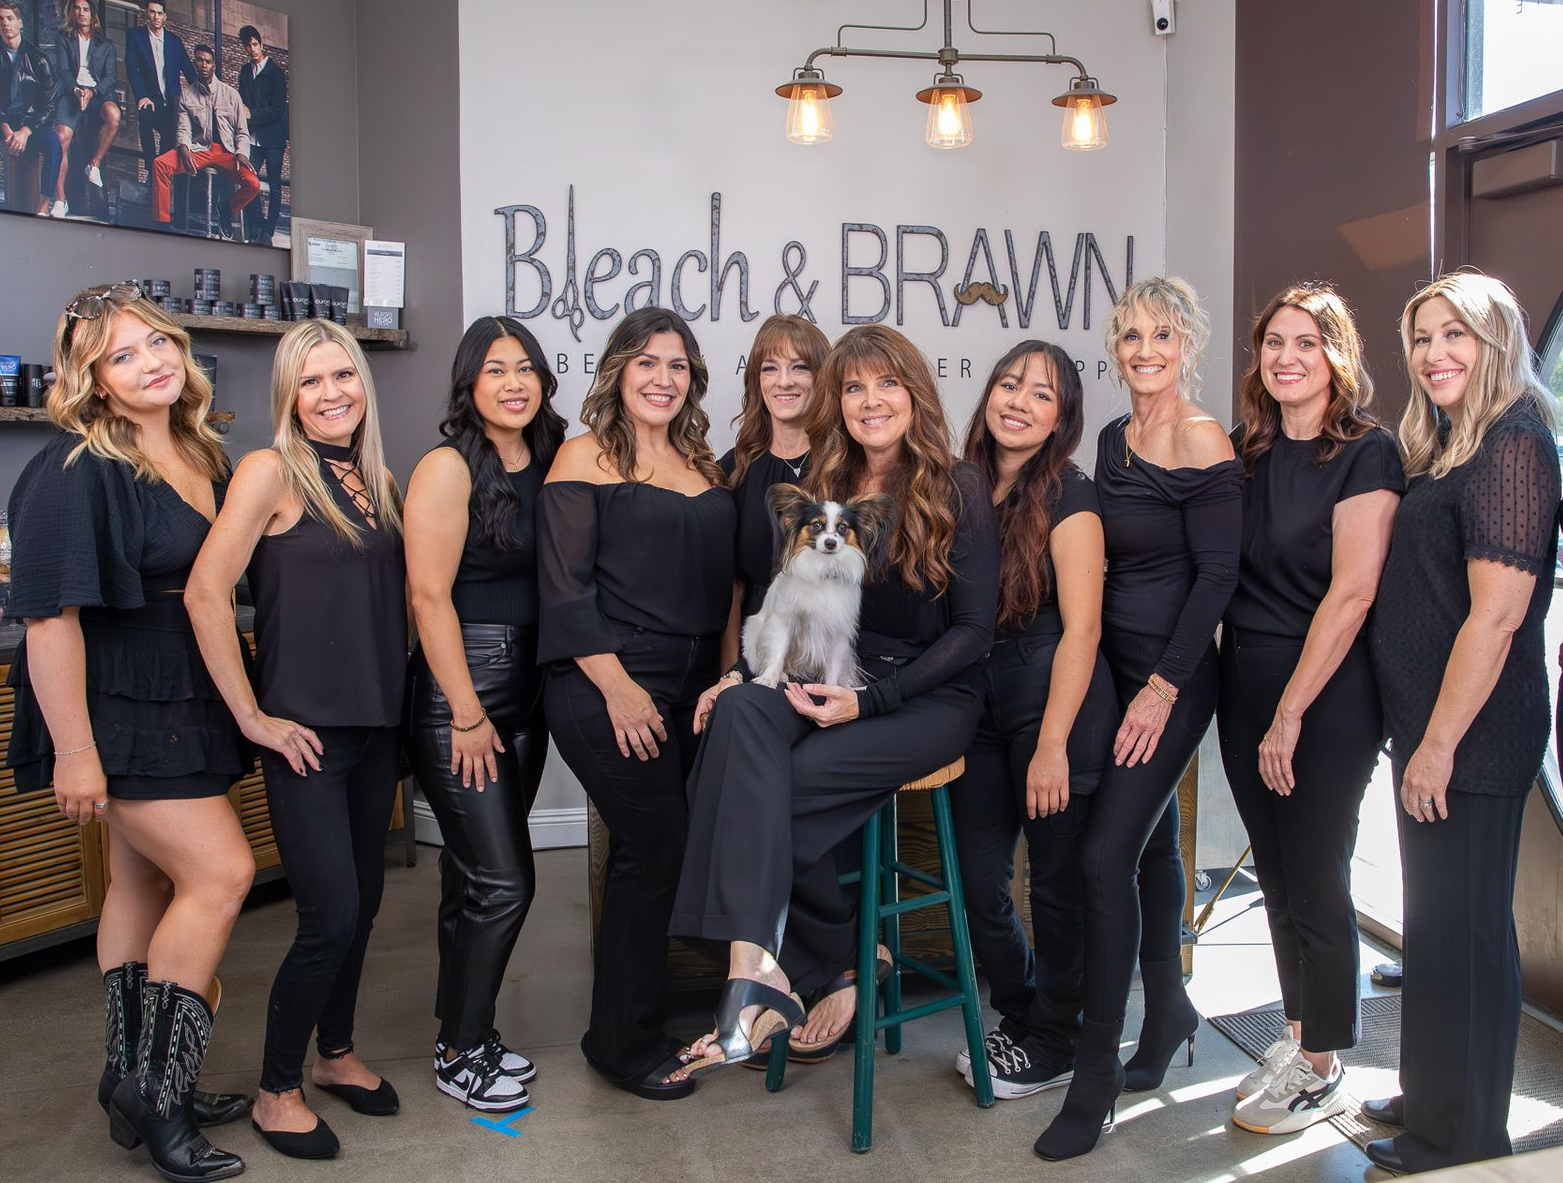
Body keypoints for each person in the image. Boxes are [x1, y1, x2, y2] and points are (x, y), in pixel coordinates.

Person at [667, 323, 999, 1082]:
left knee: (763, 796)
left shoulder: (958, 484)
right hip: (831, 668)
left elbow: (974, 633)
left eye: (885, 383)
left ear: (913, 393)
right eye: (852, 387)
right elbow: (783, 601)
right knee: (738, 717)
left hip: (926, 692)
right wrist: (744, 673)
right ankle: (762, 968)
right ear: (836, 401)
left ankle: (819, 962)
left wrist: (870, 702)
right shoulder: (827, 489)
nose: (869, 400)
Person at [4, 283, 252, 1182]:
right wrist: (74, 748)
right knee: (221, 874)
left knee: (144, 878)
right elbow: (46, 619)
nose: (151, 362)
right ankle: (159, 1087)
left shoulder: (197, 447)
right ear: (93, 380)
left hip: (184, 692)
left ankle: (131, 1075)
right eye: (123, 354)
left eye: (157, 343)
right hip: (116, 703)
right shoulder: (76, 467)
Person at [186, 319, 407, 1160]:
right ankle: (277, 1090)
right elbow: (207, 593)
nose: (331, 393)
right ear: (289, 393)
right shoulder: (270, 472)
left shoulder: (377, 478)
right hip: (304, 740)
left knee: (366, 907)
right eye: (311, 381)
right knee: (330, 914)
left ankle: (335, 1052)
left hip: (375, 730)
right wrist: (251, 715)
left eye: (343, 375)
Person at [1035, 277, 1242, 1160]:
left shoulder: (1202, 438)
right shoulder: (1115, 438)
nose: (1143, 350)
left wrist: (1161, 689)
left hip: (1176, 678)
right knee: (1150, 844)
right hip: (1114, 668)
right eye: (1129, 336)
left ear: (1187, 343)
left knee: (1103, 852)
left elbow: (1216, 580)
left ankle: (1094, 1074)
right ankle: (1167, 1011)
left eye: (1160, 334)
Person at [1364, 273, 1560, 1174]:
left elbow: (1496, 615)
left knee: (1469, 930)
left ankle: (1463, 1130)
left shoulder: (1516, 440)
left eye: (1456, 334)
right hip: (1429, 730)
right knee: (1437, 924)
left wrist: (1436, 744)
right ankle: (1431, 1090)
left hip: (1474, 737)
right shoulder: (1449, 441)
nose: (1434, 353)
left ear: (1498, 338)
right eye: (1421, 337)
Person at [1215, 284, 1403, 1134]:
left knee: (1317, 875)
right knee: (1278, 875)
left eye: (1306, 341)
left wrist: (1290, 711)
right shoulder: (1243, 450)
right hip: (1243, 682)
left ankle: (1327, 1063)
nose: (1286, 356)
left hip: (1322, 694)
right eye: (1273, 342)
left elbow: (1354, 590)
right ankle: (1299, 1038)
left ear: (1336, 354)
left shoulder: (1365, 452)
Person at [537, 306, 736, 1100]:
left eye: (678, 364)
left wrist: (727, 676)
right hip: (605, 681)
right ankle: (621, 1042)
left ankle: (642, 1016)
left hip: (692, 688)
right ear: (618, 369)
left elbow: (729, 590)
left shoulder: (706, 465)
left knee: (661, 851)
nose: (662, 377)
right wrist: (617, 688)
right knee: (656, 849)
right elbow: (562, 588)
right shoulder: (583, 456)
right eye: (647, 362)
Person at [404, 316, 566, 1112]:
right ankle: (461, 1048)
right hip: (461, 692)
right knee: (505, 880)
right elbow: (427, 595)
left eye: (526, 366)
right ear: (469, 381)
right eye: (496, 368)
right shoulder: (445, 466)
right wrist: (466, 711)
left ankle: (462, 1029)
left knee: (469, 875)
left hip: (529, 686)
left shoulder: (552, 455)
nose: (513, 381)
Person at [949, 340, 1116, 1100]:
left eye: (1040, 394)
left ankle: (1053, 1042)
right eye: (1008, 383)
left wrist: (1051, 744)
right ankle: (1022, 1012)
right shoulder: (960, 484)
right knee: (976, 879)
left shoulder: (1070, 494)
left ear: (1061, 419)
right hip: (976, 706)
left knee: (1053, 883)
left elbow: (1082, 629)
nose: (1017, 400)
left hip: (1054, 705)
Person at [150, 44, 258, 239]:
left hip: (228, 152)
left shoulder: (231, 95)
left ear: (214, 65)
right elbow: (183, 128)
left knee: (253, 184)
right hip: (199, 149)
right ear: (194, 63)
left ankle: (226, 208)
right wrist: (184, 149)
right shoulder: (187, 95)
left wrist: (242, 152)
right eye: (199, 60)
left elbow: (242, 132)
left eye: (208, 61)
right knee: (160, 164)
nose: (204, 65)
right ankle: (162, 224)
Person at [52, 0, 120, 203]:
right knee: (61, 138)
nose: (81, 13)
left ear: (92, 14)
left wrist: (92, 92)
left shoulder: (106, 44)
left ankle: (94, 165)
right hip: (72, 92)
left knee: (114, 116)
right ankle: (60, 200)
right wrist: (76, 90)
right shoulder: (63, 38)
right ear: (72, 11)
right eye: (77, 8)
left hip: (98, 94)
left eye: (86, 9)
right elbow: (63, 70)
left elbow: (110, 78)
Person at [0, 1, 62, 216]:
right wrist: (6, 129)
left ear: (20, 22)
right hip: (4, 121)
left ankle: (43, 208)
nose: (5, 24)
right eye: (1, 19)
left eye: (9, 18)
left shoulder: (38, 59)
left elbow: (51, 104)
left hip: (30, 122)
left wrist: (26, 131)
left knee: (54, 145)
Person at [124, 2, 195, 189]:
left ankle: (158, 171)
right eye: (152, 12)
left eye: (159, 13)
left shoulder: (174, 41)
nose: (156, 16)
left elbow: (189, 72)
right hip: (149, 98)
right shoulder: (135, 36)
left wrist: (206, 92)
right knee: (145, 116)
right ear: (147, 13)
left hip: (171, 101)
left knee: (170, 133)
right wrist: (141, 95)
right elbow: (132, 68)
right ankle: (150, 166)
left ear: (165, 17)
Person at [236, 23, 287, 245]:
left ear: (261, 44)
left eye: (255, 44)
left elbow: (277, 110)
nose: (252, 49)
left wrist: (252, 114)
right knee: (249, 181)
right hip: (254, 138)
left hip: (273, 138)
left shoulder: (276, 73)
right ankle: (257, 227)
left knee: (275, 185)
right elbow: (242, 102)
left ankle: (268, 231)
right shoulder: (245, 72)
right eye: (248, 46)